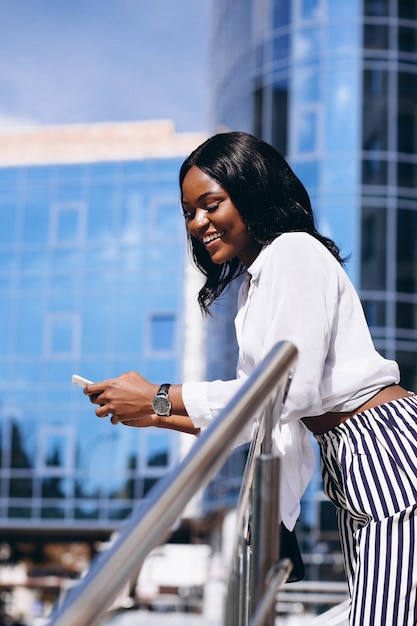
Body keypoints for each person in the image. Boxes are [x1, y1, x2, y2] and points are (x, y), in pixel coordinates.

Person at [84, 131, 417, 626]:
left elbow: (286, 392)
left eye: (210, 204)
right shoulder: (254, 290)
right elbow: (255, 418)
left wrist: (158, 396)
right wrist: (152, 413)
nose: (198, 223)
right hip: (353, 457)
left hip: (380, 448)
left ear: (251, 189)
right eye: (189, 213)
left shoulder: (293, 252)